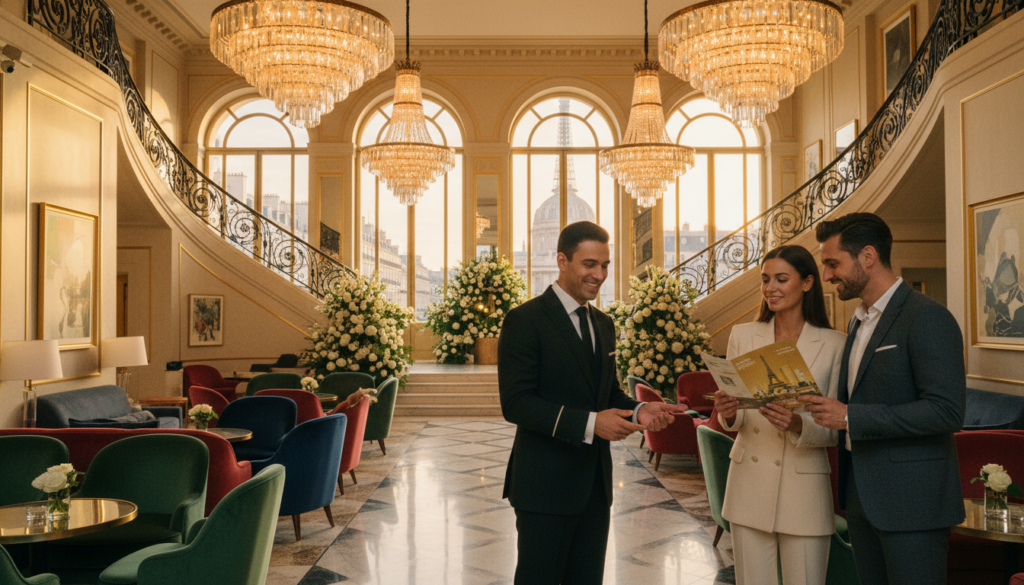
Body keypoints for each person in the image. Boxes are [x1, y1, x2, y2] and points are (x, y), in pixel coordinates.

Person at [498, 220, 684, 585]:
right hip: (544, 487)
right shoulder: (524, 320)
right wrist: (590, 424)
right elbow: (516, 403)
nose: (599, 274)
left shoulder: (603, 323)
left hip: (595, 487)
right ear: (562, 261)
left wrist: (640, 410)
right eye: (589, 264)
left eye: (605, 265)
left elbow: (608, 393)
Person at [802, 212, 965, 585]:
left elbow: (946, 411)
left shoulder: (927, 317)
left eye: (832, 263)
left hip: (913, 505)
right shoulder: (858, 321)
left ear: (868, 257)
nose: (826, 275)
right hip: (862, 498)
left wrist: (851, 418)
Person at [713, 245, 846, 585]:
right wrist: (728, 413)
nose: (770, 287)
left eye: (781, 279)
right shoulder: (742, 336)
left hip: (805, 489)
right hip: (749, 485)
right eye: (765, 279)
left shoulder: (835, 344)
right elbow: (738, 418)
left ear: (807, 283)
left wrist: (799, 423)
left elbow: (839, 426)